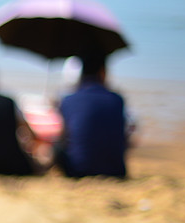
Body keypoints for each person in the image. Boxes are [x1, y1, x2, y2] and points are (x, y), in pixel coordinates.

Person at [55, 49, 133, 178]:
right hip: (116, 171)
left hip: (77, 170)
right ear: (103, 72)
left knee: (57, 147)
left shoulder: (68, 100)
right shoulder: (117, 99)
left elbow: (63, 137)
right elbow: (126, 136)